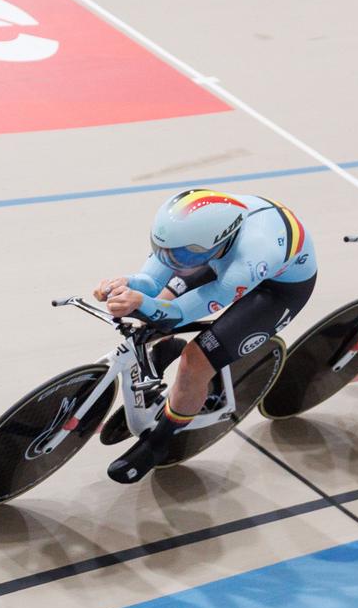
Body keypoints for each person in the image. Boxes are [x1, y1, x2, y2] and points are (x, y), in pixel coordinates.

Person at [92, 188, 316, 485]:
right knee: (157, 303)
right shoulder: (188, 236)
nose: (171, 258)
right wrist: (128, 283)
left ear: (216, 242)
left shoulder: (249, 258)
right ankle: (164, 351)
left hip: (278, 290)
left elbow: (180, 311)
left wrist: (141, 303)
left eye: (181, 254)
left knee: (194, 361)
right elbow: (153, 281)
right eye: (164, 250)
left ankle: (160, 441)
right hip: (224, 257)